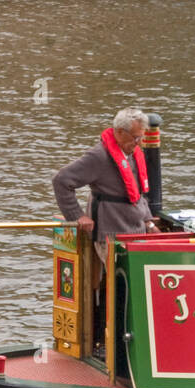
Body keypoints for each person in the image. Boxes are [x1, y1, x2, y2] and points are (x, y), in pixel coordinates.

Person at [53, 108, 159, 358]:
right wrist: (77, 216)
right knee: (116, 287)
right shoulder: (98, 156)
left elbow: (137, 194)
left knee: (131, 286)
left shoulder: (131, 153)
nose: (139, 142)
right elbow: (62, 181)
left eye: (141, 137)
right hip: (110, 232)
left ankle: (127, 339)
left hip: (134, 230)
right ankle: (107, 344)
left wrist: (148, 222)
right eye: (135, 137)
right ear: (119, 132)